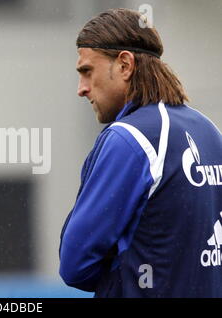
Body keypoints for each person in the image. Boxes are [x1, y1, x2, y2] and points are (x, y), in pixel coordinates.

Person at [59, 8, 222, 297]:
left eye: (87, 71)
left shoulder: (128, 139)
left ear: (124, 65)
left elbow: (75, 264)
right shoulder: (209, 132)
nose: (81, 89)